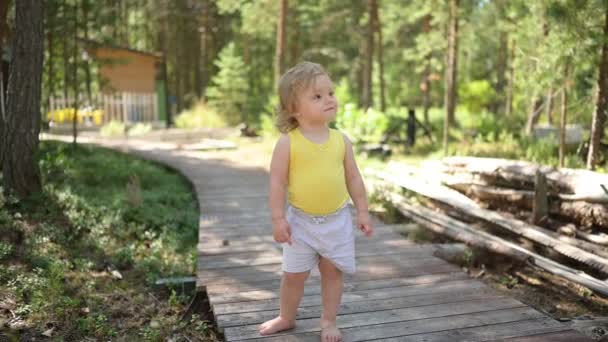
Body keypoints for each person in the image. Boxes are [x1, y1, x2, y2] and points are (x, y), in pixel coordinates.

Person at [259, 61, 374, 342]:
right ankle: (287, 316)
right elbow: (277, 183)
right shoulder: (288, 143)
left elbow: (354, 178)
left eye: (330, 93)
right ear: (294, 109)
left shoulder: (341, 141)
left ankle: (328, 321)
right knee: (293, 275)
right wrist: (278, 218)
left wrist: (362, 211)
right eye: (317, 96)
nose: (329, 99)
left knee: (332, 273)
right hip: (301, 223)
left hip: (337, 220)